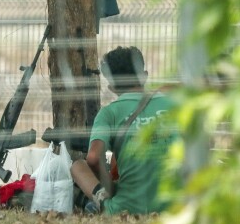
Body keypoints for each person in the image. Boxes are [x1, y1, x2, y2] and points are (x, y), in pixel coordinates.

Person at [70, 46, 177, 214]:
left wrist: (110, 187)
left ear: (111, 86)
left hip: (126, 209)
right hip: (177, 208)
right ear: (145, 76)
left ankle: (103, 202)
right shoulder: (172, 104)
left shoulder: (109, 113)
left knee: (77, 166)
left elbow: (93, 157)